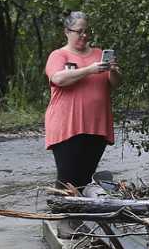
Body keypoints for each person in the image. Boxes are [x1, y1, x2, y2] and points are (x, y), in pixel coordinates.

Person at [44, 10, 119, 188]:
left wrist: (114, 70)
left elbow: (115, 84)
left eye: (87, 31)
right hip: (67, 126)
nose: (84, 35)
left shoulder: (99, 54)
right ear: (67, 31)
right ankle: (62, 214)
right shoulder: (58, 55)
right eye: (79, 31)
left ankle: (79, 213)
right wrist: (89, 70)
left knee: (85, 178)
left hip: (96, 125)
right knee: (68, 178)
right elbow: (58, 79)